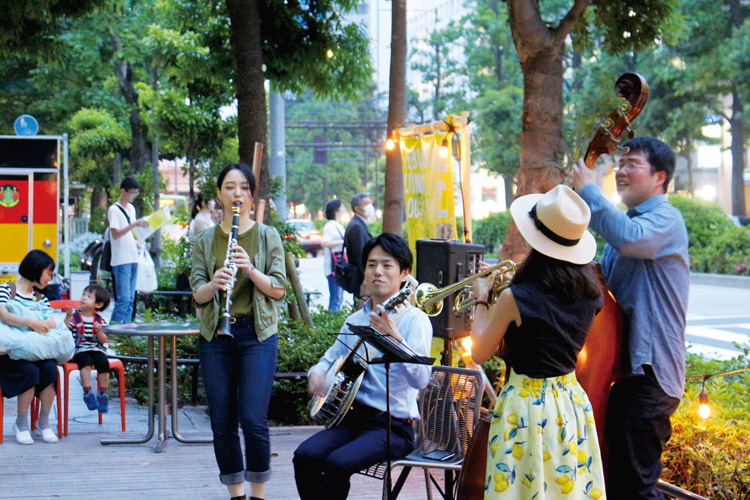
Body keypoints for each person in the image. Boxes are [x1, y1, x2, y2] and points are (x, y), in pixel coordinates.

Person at [470, 185, 606, 499]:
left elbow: (479, 351)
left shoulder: (516, 297)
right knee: (566, 489)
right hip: (569, 401)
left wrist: (480, 300)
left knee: (519, 489)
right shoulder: (591, 295)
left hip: (525, 406)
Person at [572, 136, 688, 500]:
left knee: (637, 488)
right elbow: (597, 281)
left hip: (651, 374)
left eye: (632, 164)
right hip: (627, 373)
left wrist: (591, 191)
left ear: (659, 177)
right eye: (620, 163)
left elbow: (628, 239)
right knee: (621, 484)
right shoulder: (625, 228)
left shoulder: (664, 219)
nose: (621, 171)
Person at [293, 233, 433, 500]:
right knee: (305, 456)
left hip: (394, 427)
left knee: (337, 463)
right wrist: (316, 375)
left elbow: (422, 380)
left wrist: (395, 339)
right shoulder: (356, 319)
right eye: (371, 265)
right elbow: (327, 360)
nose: (377, 271)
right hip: (351, 419)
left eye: (386, 265)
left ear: (405, 273)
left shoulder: (415, 320)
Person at [190, 163, 287, 500]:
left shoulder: (266, 235)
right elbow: (197, 293)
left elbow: (278, 288)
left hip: (257, 336)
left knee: (252, 418)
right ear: (219, 194)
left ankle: (258, 495)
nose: (236, 194)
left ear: (251, 194)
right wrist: (214, 283)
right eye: (229, 187)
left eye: (243, 187)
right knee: (222, 422)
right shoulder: (204, 239)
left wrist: (250, 269)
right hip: (215, 337)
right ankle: (237, 496)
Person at [0, 250, 61, 444]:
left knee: (51, 369)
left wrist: (41, 324)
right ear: (36, 269)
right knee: (30, 371)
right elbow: (3, 315)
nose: (51, 277)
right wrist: (33, 323)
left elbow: (51, 321)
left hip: (35, 350)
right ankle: (21, 422)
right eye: (49, 272)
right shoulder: (6, 289)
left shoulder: (40, 297)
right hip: (10, 354)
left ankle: (43, 423)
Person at [107, 176, 149, 323]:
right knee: (123, 298)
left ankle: (127, 332)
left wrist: (136, 241)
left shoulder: (131, 209)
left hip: (133, 257)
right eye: (132, 193)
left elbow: (128, 234)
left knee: (131, 299)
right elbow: (116, 233)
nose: (133, 196)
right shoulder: (114, 210)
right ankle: (114, 330)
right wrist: (134, 224)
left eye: (136, 193)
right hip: (121, 259)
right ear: (122, 191)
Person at [67, 284, 111, 413]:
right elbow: (65, 329)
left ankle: (103, 392)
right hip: (80, 349)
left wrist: (99, 332)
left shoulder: (100, 320)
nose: (84, 298)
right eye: (84, 295)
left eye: (89, 297)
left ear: (98, 304)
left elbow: (104, 340)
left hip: (96, 349)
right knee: (85, 362)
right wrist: (68, 316)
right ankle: (87, 391)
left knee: (104, 363)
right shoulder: (75, 317)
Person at [342, 193, 374, 302]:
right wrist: (366, 277)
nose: (370, 206)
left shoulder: (359, 224)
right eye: (366, 203)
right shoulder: (357, 226)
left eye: (370, 202)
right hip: (360, 277)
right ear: (357, 208)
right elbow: (360, 254)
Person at [321, 199, 347, 311]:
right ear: (337, 210)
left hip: (338, 266)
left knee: (338, 298)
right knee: (336, 299)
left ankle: (333, 322)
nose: (345, 208)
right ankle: (331, 324)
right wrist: (343, 242)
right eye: (343, 206)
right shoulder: (330, 226)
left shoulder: (337, 225)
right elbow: (324, 243)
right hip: (334, 267)